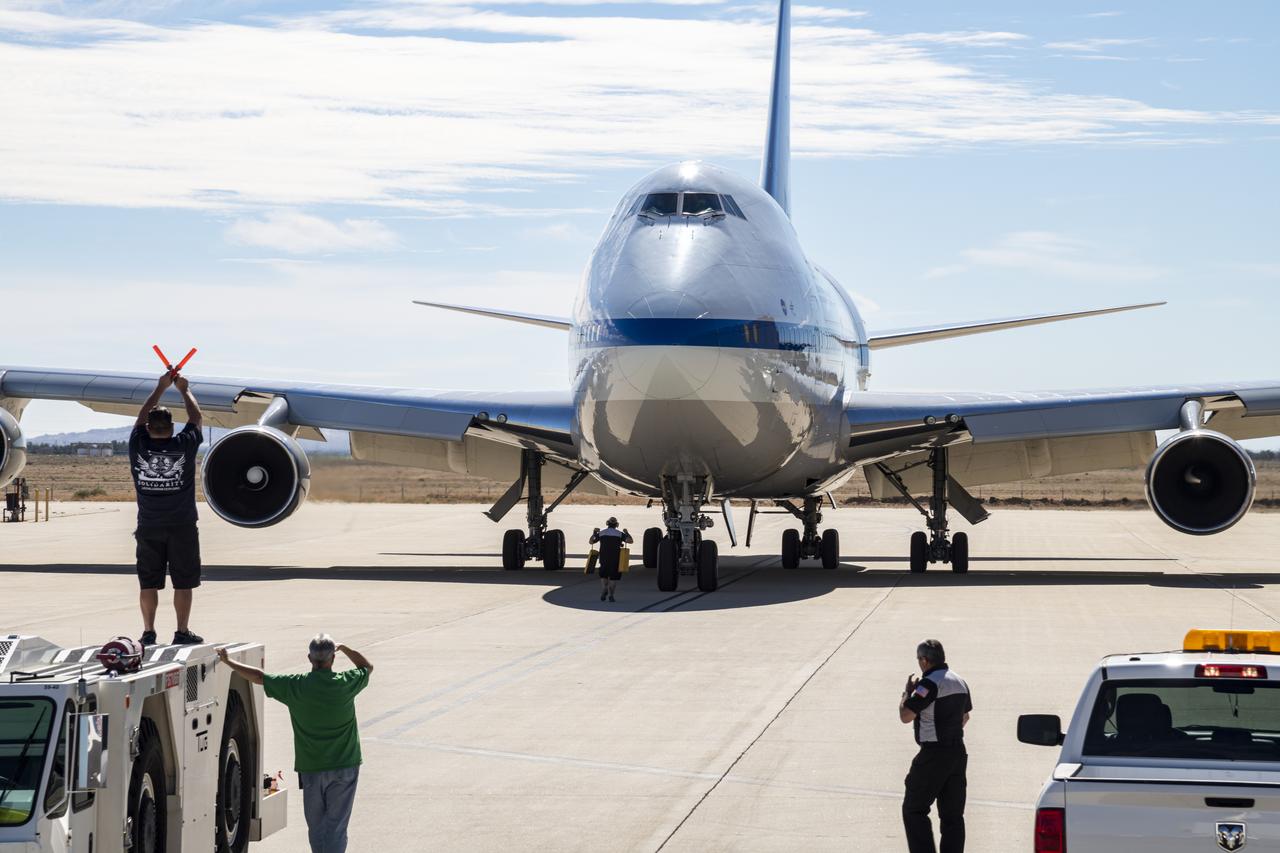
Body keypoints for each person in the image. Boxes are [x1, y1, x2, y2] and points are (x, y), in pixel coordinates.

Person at [217, 635, 373, 853]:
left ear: (309, 658)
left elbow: (259, 677)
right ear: (333, 659)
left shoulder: (295, 686)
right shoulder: (345, 683)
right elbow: (367, 667)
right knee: (336, 828)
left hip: (311, 769)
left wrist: (228, 662)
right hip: (344, 767)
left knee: (316, 829)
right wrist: (344, 647)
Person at [130, 371, 203, 645]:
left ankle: (148, 631)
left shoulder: (138, 445)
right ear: (172, 427)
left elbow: (140, 417)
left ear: (148, 427)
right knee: (183, 582)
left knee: (148, 583)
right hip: (182, 526)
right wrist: (184, 390)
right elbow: (196, 418)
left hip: (149, 526)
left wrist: (160, 387)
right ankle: (181, 631)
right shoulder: (184, 445)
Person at [899, 639, 972, 853]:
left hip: (934, 754)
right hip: (957, 753)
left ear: (924, 660)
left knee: (914, 809)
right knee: (953, 816)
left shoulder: (929, 683)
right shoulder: (959, 681)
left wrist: (906, 695)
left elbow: (906, 716)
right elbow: (965, 717)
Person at [589, 517, 632, 602]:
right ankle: (611, 595)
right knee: (613, 578)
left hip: (603, 558)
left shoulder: (602, 533)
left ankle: (604, 588)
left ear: (607, 524)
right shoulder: (619, 534)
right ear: (616, 525)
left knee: (603, 575)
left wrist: (594, 532)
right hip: (615, 559)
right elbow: (630, 541)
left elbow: (591, 541)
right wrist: (626, 532)